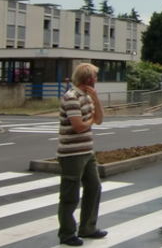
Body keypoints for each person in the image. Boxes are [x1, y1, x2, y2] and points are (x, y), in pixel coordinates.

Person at [57, 63, 107, 247]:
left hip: (87, 151)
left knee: (94, 188)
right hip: (71, 154)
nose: (97, 79)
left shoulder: (87, 96)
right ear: (88, 78)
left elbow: (99, 120)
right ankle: (67, 233)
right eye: (95, 76)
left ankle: (88, 227)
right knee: (70, 195)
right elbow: (78, 126)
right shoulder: (71, 97)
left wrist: (95, 98)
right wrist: (91, 120)